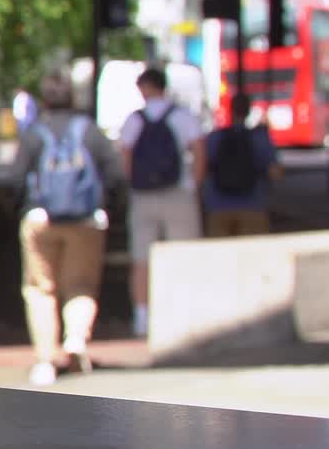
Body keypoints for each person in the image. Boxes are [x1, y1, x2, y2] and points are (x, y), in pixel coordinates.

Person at [12, 69, 121, 386]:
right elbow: (114, 174)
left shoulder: (34, 133)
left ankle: (45, 359)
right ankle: (76, 340)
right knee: (81, 284)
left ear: (43, 99)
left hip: (40, 220)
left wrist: (25, 209)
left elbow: (16, 178)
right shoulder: (90, 131)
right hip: (85, 221)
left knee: (40, 289)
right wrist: (104, 207)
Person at [119, 66, 204, 337]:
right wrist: (193, 185)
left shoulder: (134, 120)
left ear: (144, 88)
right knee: (184, 255)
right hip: (178, 194)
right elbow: (200, 152)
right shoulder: (182, 116)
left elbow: (126, 157)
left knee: (142, 258)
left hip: (143, 196)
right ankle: (184, 311)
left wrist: (134, 185)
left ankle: (142, 317)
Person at [202, 93, 282, 237]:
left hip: (218, 205)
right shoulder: (260, 138)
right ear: (249, 111)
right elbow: (275, 172)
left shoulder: (215, 138)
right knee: (252, 255)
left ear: (230, 110)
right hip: (253, 204)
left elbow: (202, 169)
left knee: (219, 254)